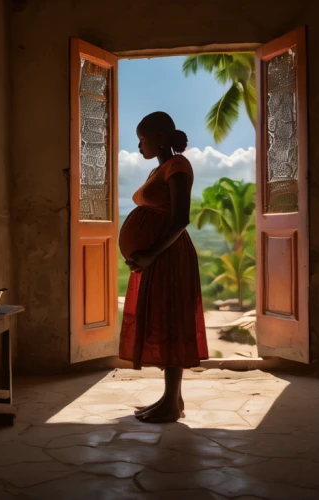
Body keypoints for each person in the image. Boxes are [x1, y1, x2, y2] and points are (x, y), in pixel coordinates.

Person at [119, 111, 209, 423]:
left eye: (142, 139)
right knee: (162, 320)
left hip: (168, 257)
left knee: (170, 322)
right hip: (159, 258)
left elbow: (181, 218)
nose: (138, 145)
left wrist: (151, 254)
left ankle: (171, 403)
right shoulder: (160, 170)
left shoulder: (178, 166)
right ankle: (173, 399)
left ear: (158, 139)